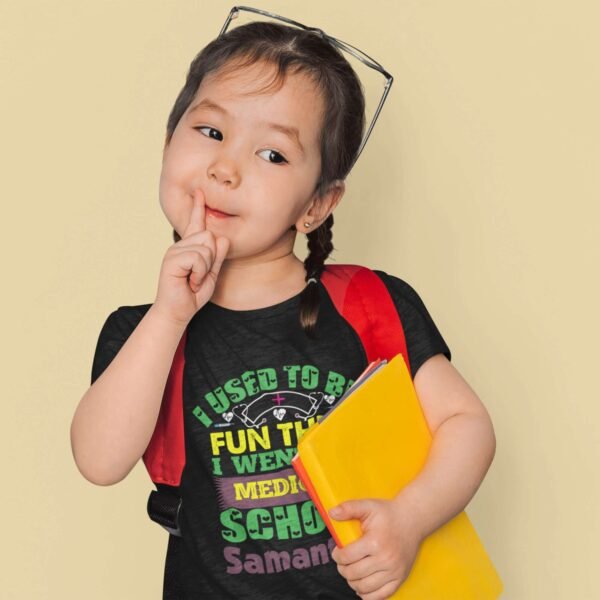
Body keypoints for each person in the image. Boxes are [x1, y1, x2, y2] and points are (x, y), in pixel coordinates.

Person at [70, 16, 497, 600]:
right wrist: (170, 315)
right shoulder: (143, 331)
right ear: (168, 141)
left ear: (317, 204)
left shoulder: (370, 305)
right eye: (210, 131)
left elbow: (466, 425)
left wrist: (411, 519)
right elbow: (99, 461)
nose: (226, 168)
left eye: (272, 154)